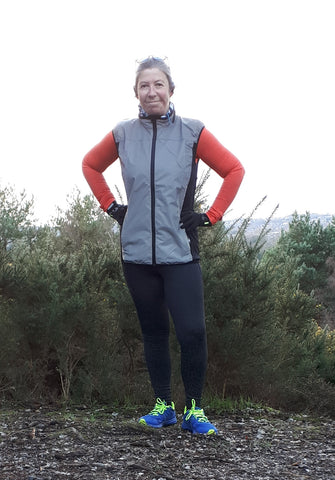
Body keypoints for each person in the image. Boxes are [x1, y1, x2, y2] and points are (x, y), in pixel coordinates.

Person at [82, 56, 245, 435]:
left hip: (180, 253)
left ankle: (195, 411)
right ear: (135, 93)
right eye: (144, 86)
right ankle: (163, 406)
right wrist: (111, 207)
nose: (151, 92)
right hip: (136, 255)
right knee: (154, 332)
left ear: (171, 90)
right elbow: (90, 164)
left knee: (192, 332)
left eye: (158, 84)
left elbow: (234, 169)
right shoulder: (123, 134)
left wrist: (211, 214)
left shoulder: (192, 132)